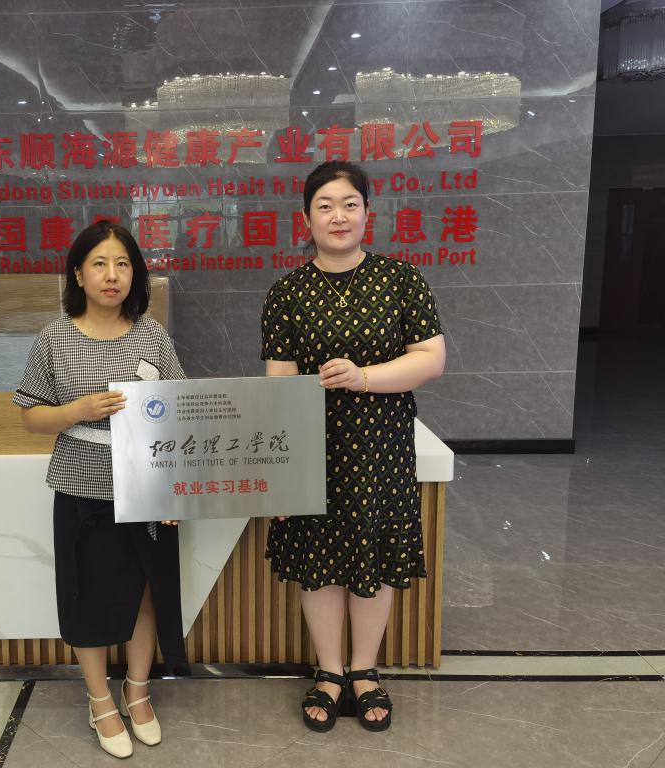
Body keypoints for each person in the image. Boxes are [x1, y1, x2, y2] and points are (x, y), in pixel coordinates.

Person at [260, 160, 446, 732]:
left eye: (349, 204)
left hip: (381, 448)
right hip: (313, 450)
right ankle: (330, 671)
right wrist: (282, 473)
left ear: (368, 212)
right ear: (306, 219)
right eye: (325, 206)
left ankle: (365, 671)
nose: (338, 216)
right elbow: (278, 385)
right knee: (318, 565)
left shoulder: (402, 279)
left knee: (374, 559)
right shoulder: (287, 293)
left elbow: (431, 359)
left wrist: (362, 377)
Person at [14, 220, 186, 758]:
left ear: (135, 275)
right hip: (80, 484)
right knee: (86, 593)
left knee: (144, 591)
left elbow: (182, 409)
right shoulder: (55, 337)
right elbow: (31, 416)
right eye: (100, 264)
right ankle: (99, 700)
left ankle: (137, 690)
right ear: (78, 274)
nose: (112, 275)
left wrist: (175, 491)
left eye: (123, 264)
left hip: (147, 483)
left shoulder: (152, 335)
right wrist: (77, 410)